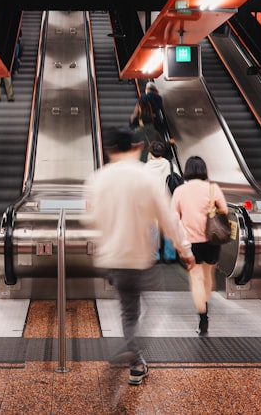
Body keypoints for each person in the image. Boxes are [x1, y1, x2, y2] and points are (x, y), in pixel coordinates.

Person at [86, 126, 195, 386]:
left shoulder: (98, 179)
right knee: (156, 308)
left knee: (128, 311)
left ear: (110, 150)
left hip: (112, 259)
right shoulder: (143, 177)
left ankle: (135, 360)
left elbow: (91, 219)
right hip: (139, 257)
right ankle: (133, 349)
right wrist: (185, 250)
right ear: (135, 147)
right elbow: (167, 217)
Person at [171, 155, 228, 336]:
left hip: (190, 243)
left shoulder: (180, 190)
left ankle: (203, 319)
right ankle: (205, 302)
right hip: (212, 240)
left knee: (196, 278)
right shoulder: (213, 188)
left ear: (187, 170)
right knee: (208, 276)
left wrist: (176, 241)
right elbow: (225, 210)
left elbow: (173, 217)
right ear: (204, 170)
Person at [144, 140, 178, 263]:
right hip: (167, 200)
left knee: (152, 228)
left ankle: (154, 256)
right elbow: (177, 179)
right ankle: (170, 256)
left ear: (150, 152)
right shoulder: (170, 165)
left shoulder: (146, 167)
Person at [0, 30, 22, 102]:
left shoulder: (0, 43)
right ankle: (7, 96)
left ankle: (2, 96)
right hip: (1, 64)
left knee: (0, 81)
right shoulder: (5, 43)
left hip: (2, 64)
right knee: (4, 81)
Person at [129, 97, 161, 162]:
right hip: (150, 144)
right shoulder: (153, 118)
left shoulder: (135, 119)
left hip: (140, 145)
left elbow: (132, 129)